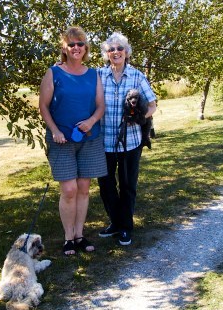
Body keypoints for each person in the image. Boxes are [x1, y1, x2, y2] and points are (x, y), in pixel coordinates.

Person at [39, 26, 107, 256]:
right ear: (64, 49)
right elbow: (43, 106)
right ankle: (68, 238)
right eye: (71, 44)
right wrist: (55, 130)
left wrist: (91, 120)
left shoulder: (93, 74)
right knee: (69, 189)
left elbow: (100, 106)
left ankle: (79, 235)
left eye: (80, 44)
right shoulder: (53, 73)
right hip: (61, 140)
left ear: (86, 48)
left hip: (89, 138)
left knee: (84, 188)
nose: (76, 48)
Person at [97, 32, 157, 246]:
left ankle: (126, 228)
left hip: (130, 143)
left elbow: (152, 105)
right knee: (106, 186)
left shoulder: (137, 76)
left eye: (120, 48)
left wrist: (139, 117)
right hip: (103, 142)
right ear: (106, 53)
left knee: (127, 185)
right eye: (111, 49)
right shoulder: (98, 75)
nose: (116, 52)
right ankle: (116, 222)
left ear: (126, 52)